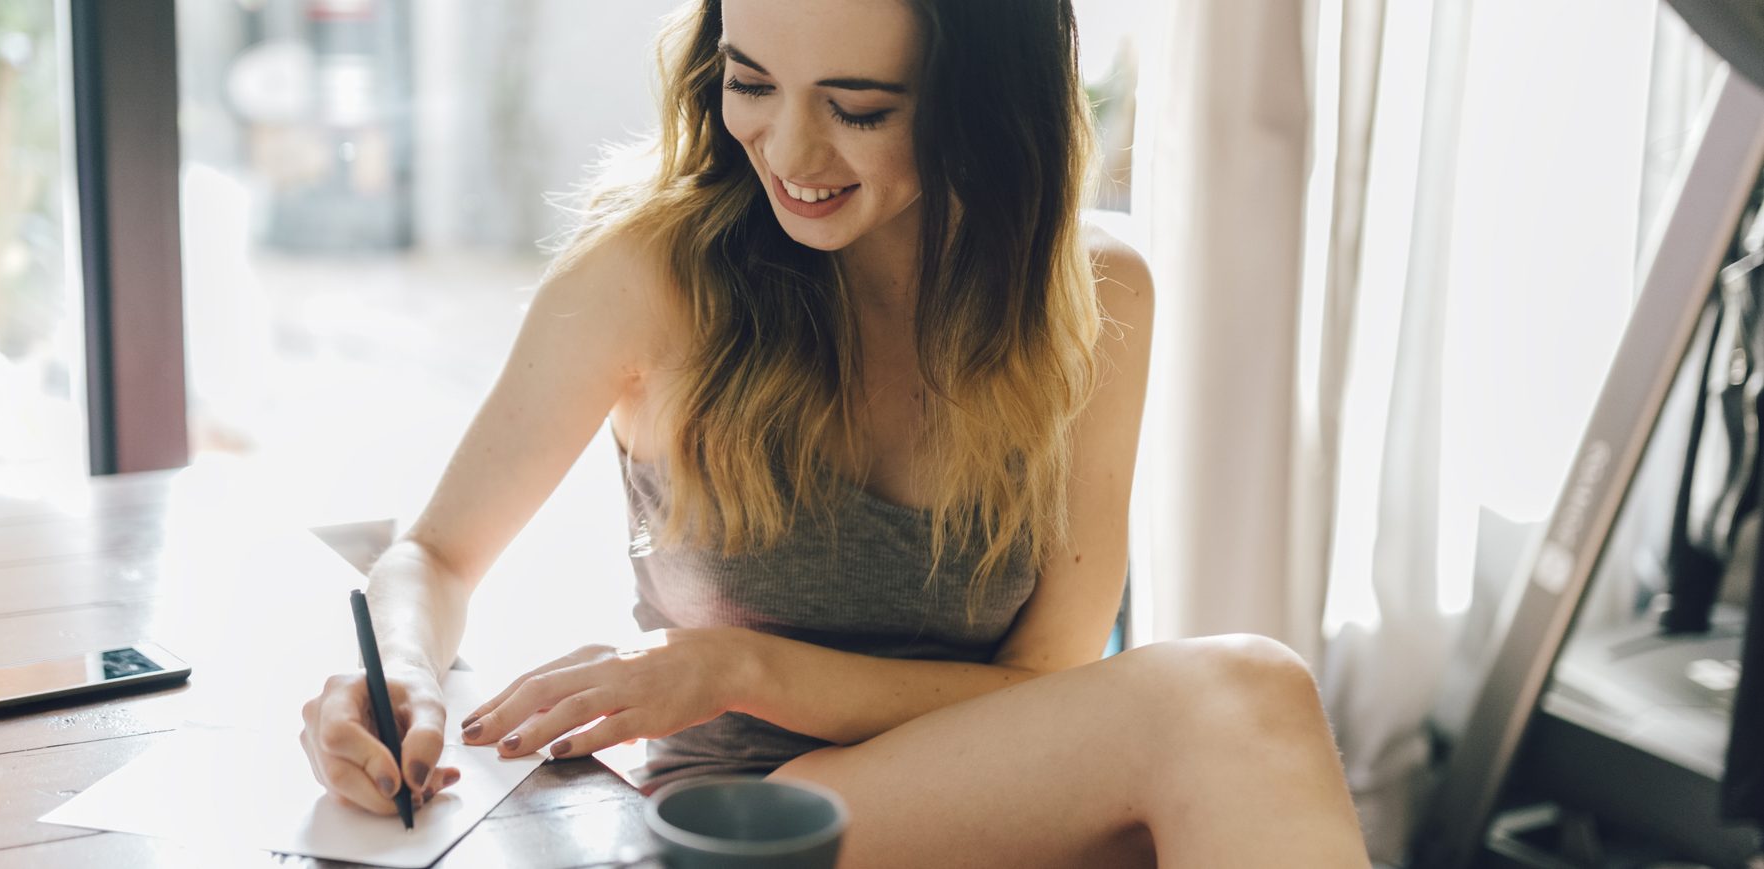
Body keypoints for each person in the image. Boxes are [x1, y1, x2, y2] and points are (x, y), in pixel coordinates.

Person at [299, 0, 1370, 864]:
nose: (790, 149)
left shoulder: (1096, 300)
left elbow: (1049, 683)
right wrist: (399, 674)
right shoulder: (652, 279)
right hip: (768, 820)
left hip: (1010, 803)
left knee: (1233, 721)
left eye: (857, 107)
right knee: (1240, 695)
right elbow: (434, 554)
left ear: (983, 104)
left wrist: (732, 664)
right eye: (751, 82)